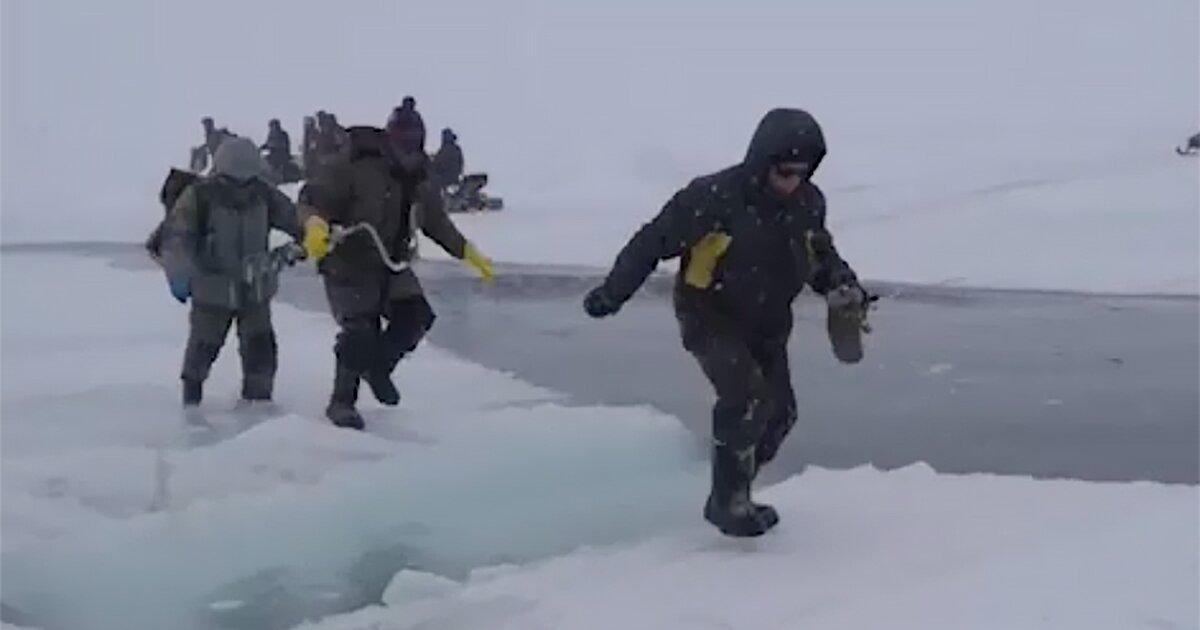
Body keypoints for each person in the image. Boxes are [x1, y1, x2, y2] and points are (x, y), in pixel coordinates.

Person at [582, 108, 873, 538]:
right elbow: (651, 242)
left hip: (769, 321)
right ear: (762, 161)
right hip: (710, 314)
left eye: (802, 173)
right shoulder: (712, 197)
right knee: (748, 398)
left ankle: (734, 483)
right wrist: (612, 293)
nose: (793, 182)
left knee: (780, 415)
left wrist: (842, 285)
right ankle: (727, 503)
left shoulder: (808, 204)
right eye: (785, 171)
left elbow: (819, 255)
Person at [297, 108, 494, 430]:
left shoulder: (419, 176)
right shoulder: (354, 165)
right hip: (349, 261)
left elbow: (435, 221)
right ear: (389, 137)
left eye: (415, 139)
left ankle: (379, 368)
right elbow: (313, 198)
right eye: (402, 138)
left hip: (391, 263)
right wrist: (315, 224)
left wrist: (466, 251)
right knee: (360, 331)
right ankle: (341, 402)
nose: (408, 146)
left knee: (415, 316)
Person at [159, 137, 314, 408]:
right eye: (234, 180)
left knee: (260, 351)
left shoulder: (263, 193)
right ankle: (191, 401)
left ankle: (258, 403)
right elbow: (177, 238)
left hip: (255, 289)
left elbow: (293, 217)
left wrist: (312, 227)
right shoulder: (199, 196)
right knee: (203, 347)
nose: (241, 187)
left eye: (248, 180)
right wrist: (179, 274)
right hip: (212, 290)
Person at [430, 127, 464, 192]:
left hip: (450, 176)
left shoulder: (454, 149)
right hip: (444, 177)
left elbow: (460, 163)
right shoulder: (441, 151)